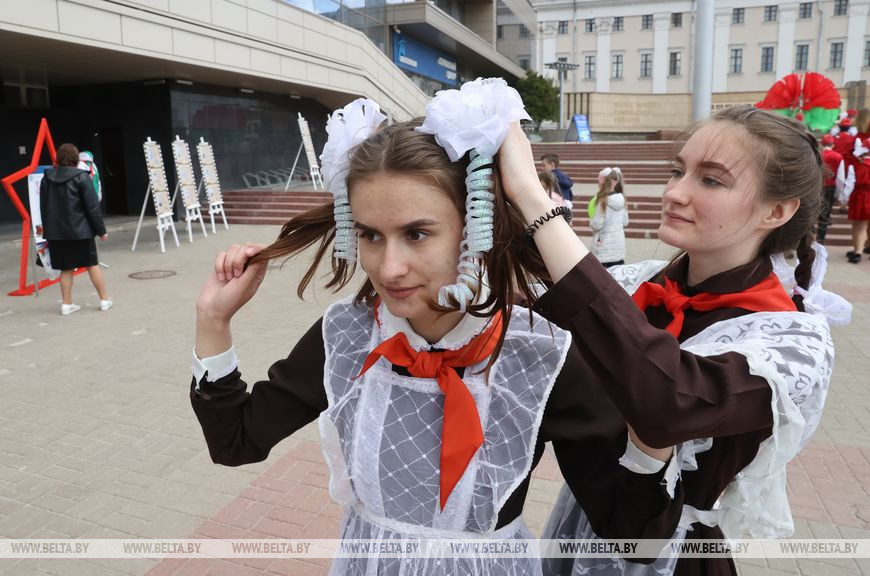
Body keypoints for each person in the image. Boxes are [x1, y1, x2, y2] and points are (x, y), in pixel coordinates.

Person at [190, 82, 684, 576]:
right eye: (370, 235)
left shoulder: (538, 352)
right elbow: (237, 441)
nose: (389, 268)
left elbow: (633, 536)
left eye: (417, 233)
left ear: (474, 227)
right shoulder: (348, 334)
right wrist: (213, 320)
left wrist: (654, 423)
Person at [496, 105, 849, 575]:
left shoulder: (790, 340)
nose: (674, 193)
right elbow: (539, 315)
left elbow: (667, 401)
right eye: (677, 171)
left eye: (711, 180)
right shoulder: (638, 283)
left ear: (777, 211)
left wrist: (533, 200)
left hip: (676, 557)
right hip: (586, 525)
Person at [38, 143, 112, 315]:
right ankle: (104, 300)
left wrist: (47, 230)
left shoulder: (46, 179)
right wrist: (101, 230)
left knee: (66, 268)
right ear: (75, 159)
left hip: (57, 233)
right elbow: (92, 208)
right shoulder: (82, 177)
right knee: (91, 265)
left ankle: (66, 304)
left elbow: (44, 207)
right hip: (81, 231)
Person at [589, 167, 628, 267]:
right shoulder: (622, 198)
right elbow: (625, 221)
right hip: (618, 245)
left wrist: (591, 223)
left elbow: (597, 224)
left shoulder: (603, 200)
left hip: (603, 247)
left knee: (602, 274)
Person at [817, 134, 842, 244]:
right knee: (825, 215)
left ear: (822, 143)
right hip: (830, 187)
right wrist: (838, 193)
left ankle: (805, 242)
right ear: (833, 144)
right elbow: (840, 177)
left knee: (810, 213)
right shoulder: (838, 156)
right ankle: (820, 241)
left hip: (816, 186)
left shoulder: (817, 154)